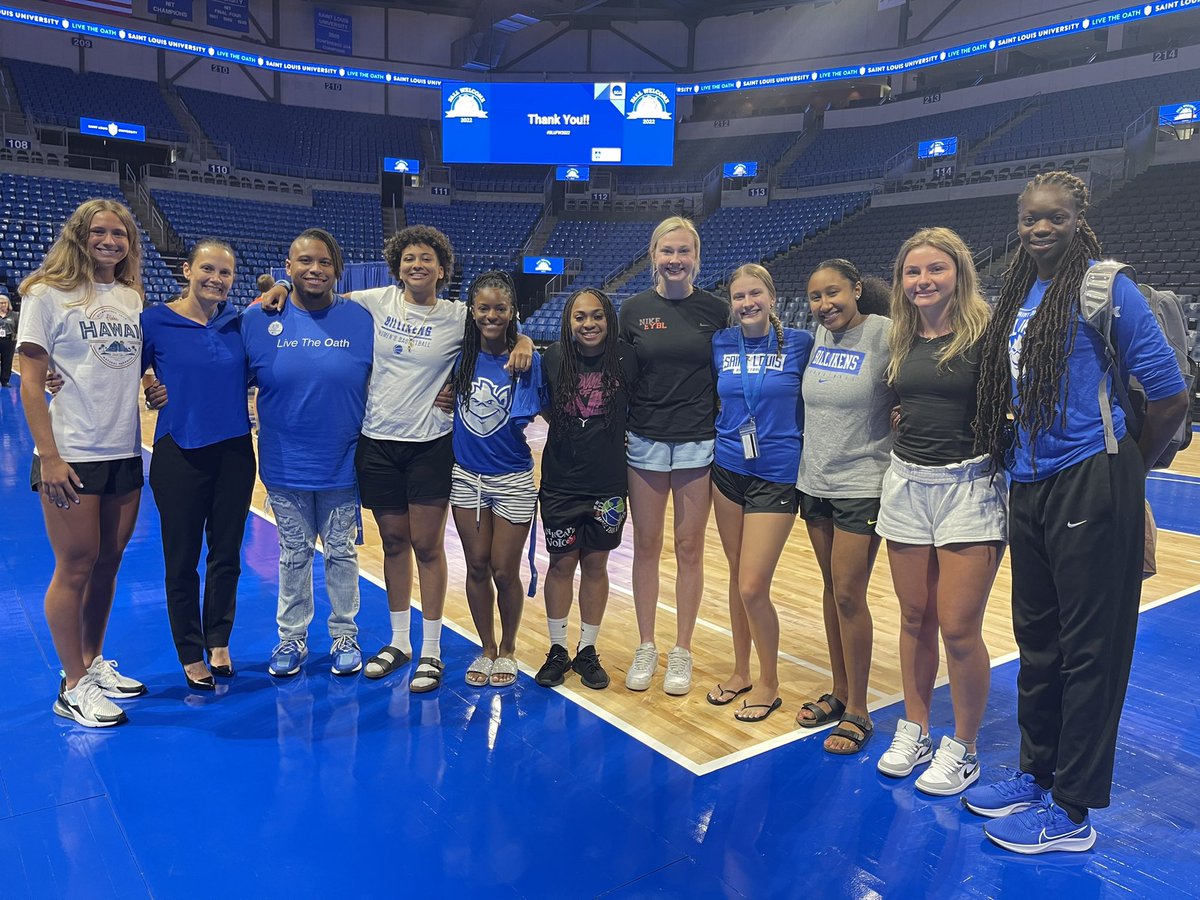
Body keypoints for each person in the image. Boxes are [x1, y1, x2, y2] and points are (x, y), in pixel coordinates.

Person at [965, 171, 1188, 853]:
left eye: (1054, 219)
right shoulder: (1021, 293)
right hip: (1029, 483)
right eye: (1030, 218)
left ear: (1079, 220)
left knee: (1090, 654)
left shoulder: (1106, 286)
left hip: (1092, 480)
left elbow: (1171, 395)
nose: (1039, 229)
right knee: (1038, 642)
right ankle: (1035, 773)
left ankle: (1072, 811)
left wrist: (1126, 468)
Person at [261, 226, 532, 692]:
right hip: (377, 442)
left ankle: (432, 649)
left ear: (442, 268)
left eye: (426, 258)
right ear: (397, 265)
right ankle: (400, 641)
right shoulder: (373, 302)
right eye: (409, 258)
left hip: (430, 444)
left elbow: (499, 323)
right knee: (392, 543)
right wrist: (280, 286)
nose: (417, 265)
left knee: (427, 545)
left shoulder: (457, 315)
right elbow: (316, 286)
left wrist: (524, 341)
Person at [873, 228, 1006, 794]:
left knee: (957, 627)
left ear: (959, 274)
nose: (923, 281)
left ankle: (965, 747)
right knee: (912, 618)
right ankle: (916, 727)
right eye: (912, 272)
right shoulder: (900, 337)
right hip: (906, 484)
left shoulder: (988, 334)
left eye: (935, 270)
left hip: (969, 489)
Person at [17, 198, 149, 727]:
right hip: (71, 452)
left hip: (124, 449)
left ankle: (91, 663)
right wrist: (49, 456)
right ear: (79, 236)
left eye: (120, 234)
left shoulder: (132, 297)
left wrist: (151, 385)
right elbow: (29, 382)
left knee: (108, 563)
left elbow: (125, 366)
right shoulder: (45, 294)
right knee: (75, 565)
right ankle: (71, 686)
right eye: (99, 232)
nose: (110, 241)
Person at [242, 229, 374, 678]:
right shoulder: (258, 319)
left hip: (343, 463)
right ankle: (291, 640)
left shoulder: (361, 318)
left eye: (323, 262)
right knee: (293, 554)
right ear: (288, 267)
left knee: (341, 553)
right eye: (304, 262)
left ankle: (344, 635)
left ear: (337, 270)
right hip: (284, 464)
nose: (313, 269)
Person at [617, 216, 727, 695]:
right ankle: (647, 645)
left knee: (688, 548)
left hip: (698, 442)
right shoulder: (633, 310)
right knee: (646, 545)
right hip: (644, 441)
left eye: (684, 252)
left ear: (696, 259)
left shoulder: (717, 311)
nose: (675, 260)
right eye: (668, 252)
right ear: (653, 256)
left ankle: (681, 649)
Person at [141, 238, 256, 690]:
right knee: (182, 559)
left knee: (227, 554)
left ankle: (219, 640)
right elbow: (118, 367)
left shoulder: (239, 323)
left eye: (225, 273)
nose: (216, 279)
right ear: (186, 270)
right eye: (208, 269)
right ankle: (190, 650)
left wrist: (281, 287)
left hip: (233, 452)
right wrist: (149, 383)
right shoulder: (154, 320)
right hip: (179, 452)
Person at [794, 258, 895, 754]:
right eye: (815, 297)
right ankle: (838, 690)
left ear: (856, 289)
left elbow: (916, 378)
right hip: (815, 482)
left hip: (862, 483)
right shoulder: (818, 339)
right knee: (833, 589)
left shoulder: (883, 333)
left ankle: (859, 708)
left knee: (851, 593)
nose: (824, 304)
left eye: (833, 293)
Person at [707, 264, 813, 722]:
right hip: (728, 468)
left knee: (753, 584)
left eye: (755, 294)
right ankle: (741, 671)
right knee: (736, 577)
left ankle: (769, 682)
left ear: (771, 297)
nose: (747, 303)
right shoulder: (721, 344)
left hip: (777, 473)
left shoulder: (801, 345)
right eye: (738, 297)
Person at [535, 288, 638, 690]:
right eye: (580, 317)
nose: (589, 324)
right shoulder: (554, 358)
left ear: (609, 319)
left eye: (597, 316)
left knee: (595, 565)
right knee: (561, 564)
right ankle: (558, 649)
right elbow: (545, 405)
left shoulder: (627, 358)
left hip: (609, 483)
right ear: (568, 321)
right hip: (560, 482)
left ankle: (587, 649)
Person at [451, 272, 544, 688]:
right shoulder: (458, 356)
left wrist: (525, 342)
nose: (492, 315)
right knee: (476, 565)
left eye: (500, 308)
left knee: (504, 570)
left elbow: (546, 411)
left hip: (513, 479)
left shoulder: (527, 359)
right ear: (472, 312)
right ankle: (486, 647)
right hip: (466, 479)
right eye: (484, 308)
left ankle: (509, 648)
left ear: (512, 312)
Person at [0, 290, 17, 387]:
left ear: (8, 304)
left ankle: (5, 381)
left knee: (7, 361)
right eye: (1, 303)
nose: (3, 305)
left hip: (9, 341)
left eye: (4, 303)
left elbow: (19, 327)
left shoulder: (14, 315)